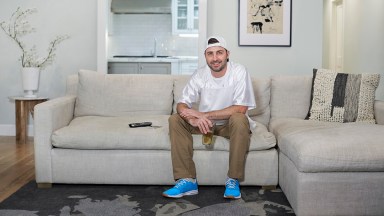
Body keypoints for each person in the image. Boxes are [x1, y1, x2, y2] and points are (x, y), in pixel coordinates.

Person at [162, 36, 256, 199]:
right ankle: (187, 180)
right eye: (210, 54)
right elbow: (181, 104)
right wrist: (192, 119)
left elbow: (241, 107)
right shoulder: (200, 75)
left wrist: (202, 114)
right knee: (175, 119)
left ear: (227, 54)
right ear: (205, 56)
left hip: (230, 125)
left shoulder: (239, 71)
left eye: (219, 53)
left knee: (239, 118)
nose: (215, 58)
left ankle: (232, 179)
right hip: (204, 126)